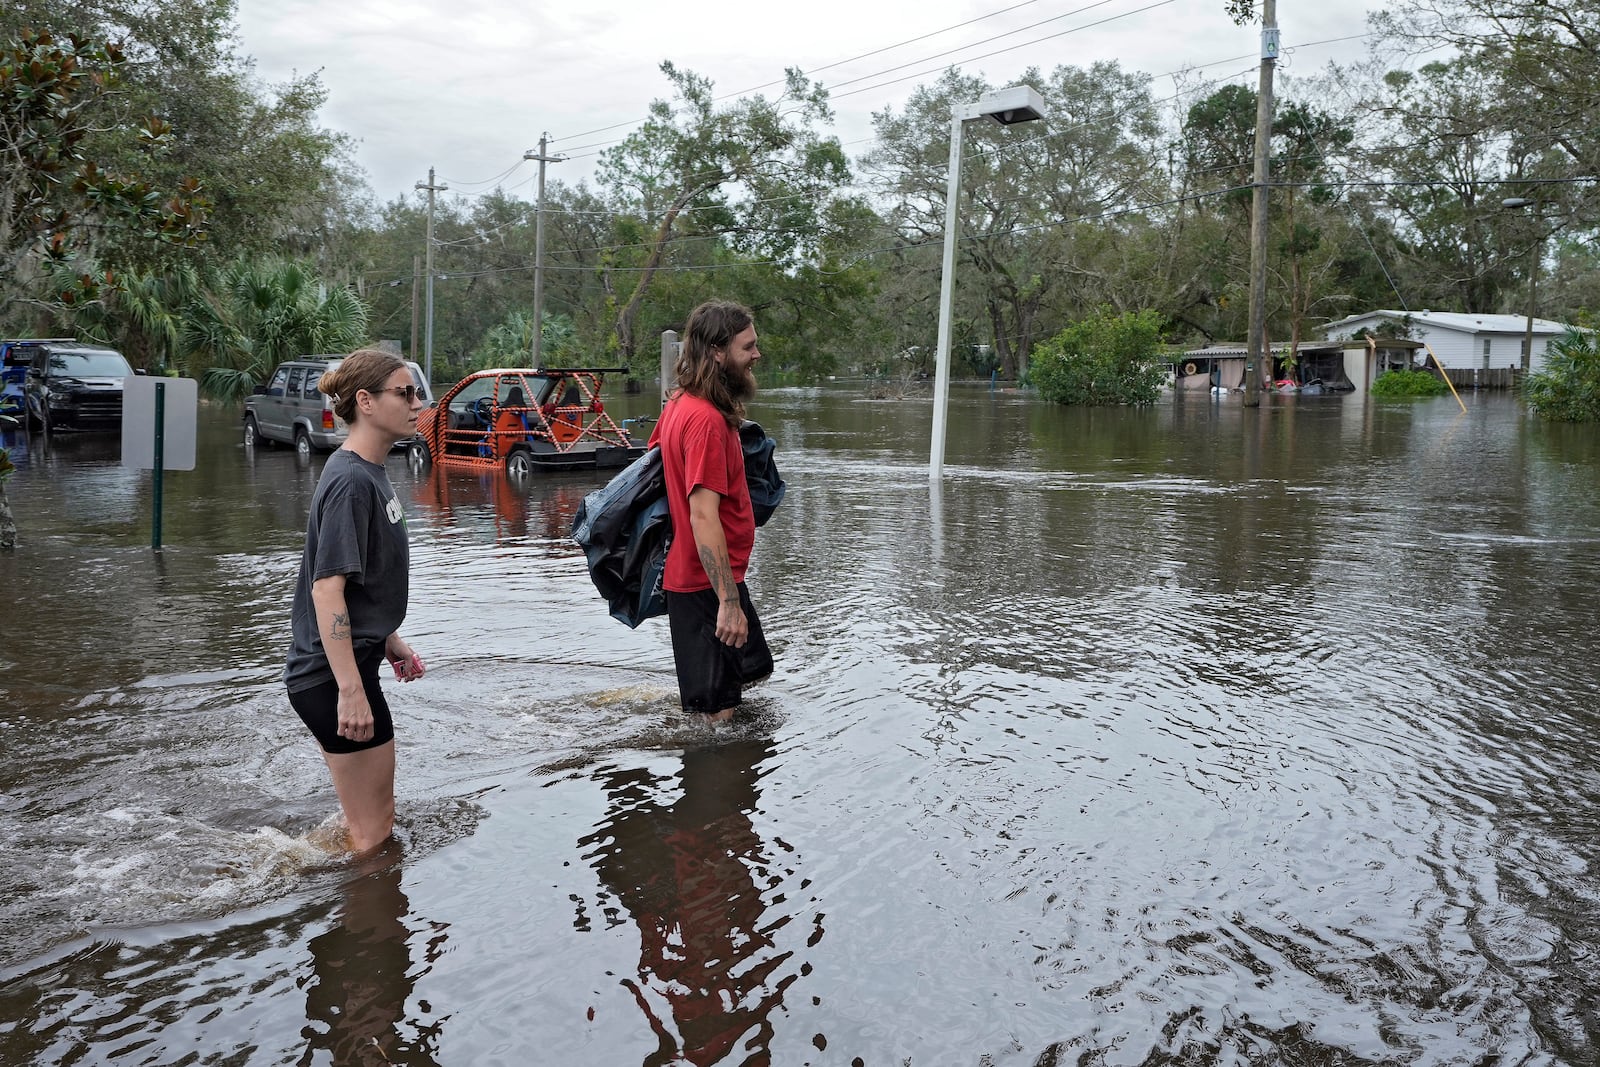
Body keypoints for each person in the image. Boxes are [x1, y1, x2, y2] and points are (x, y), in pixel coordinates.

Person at [284, 348, 427, 853]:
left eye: (416, 393)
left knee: (368, 823)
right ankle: (371, 927)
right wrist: (350, 690)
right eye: (404, 393)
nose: (418, 404)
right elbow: (327, 590)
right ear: (365, 401)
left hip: (347, 668)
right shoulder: (349, 481)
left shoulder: (369, 473)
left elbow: (360, 584)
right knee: (375, 832)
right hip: (330, 678)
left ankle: (319, 879)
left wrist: (390, 641)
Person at [649, 300, 774, 721]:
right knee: (718, 718)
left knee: (754, 669)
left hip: (710, 578)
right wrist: (727, 602)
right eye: (748, 347)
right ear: (718, 352)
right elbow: (703, 516)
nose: (756, 355)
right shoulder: (703, 421)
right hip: (704, 586)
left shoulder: (681, 405)